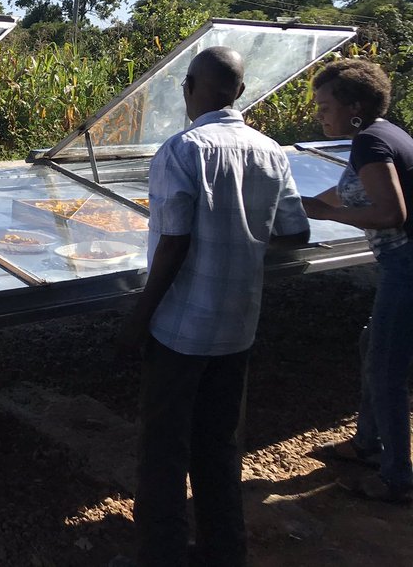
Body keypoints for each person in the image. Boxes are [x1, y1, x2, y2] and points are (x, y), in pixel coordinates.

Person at [115, 46, 310, 567]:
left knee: (162, 449)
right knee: (219, 446)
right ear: (241, 92)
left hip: (182, 328)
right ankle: (225, 551)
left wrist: (139, 318)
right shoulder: (272, 152)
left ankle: (161, 555)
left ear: (187, 88)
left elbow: (174, 242)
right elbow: (295, 232)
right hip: (237, 325)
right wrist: (242, 241)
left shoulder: (182, 151)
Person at [301, 58, 413, 504]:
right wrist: (292, 205)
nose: (319, 115)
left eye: (325, 106)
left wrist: (330, 215)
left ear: (354, 107)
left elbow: (391, 213)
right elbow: (344, 191)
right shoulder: (384, 133)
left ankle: (398, 478)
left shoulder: (368, 142)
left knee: (386, 369)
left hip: (405, 265)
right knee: (372, 346)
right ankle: (367, 444)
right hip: (401, 265)